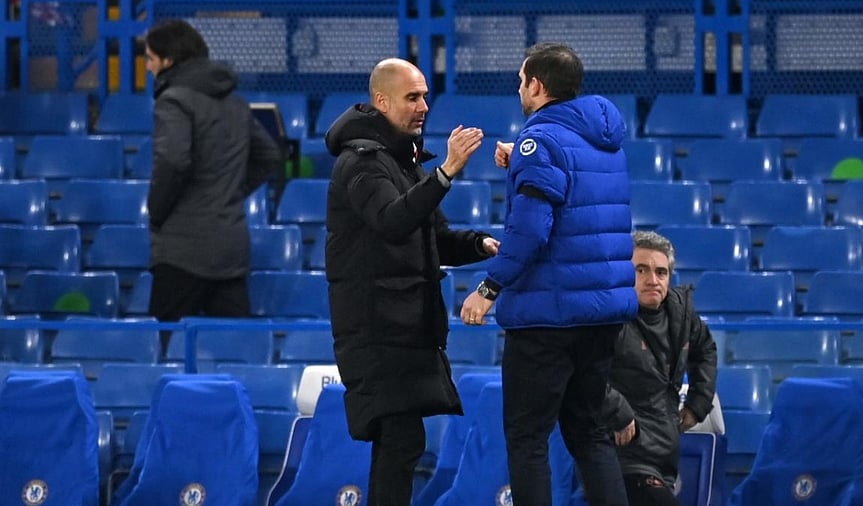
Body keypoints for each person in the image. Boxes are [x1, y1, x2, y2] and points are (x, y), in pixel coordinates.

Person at [460, 42, 638, 506]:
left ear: (536, 85)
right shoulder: (604, 140)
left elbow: (532, 230)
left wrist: (488, 286)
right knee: (587, 431)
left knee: (527, 437)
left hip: (547, 315)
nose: (519, 88)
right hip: (601, 314)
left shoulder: (538, 141)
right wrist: (519, 154)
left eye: (521, 81)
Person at [324, 57, 499, 505]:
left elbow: (433, 238)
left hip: (405, 328)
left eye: (424, 95)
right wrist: (446, 173)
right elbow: (391, 221)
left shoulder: (403, 161)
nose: (423, 105)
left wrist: (479, 245)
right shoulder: (361, 163)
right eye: (412, 97)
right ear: (381, 102)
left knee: (402, 444)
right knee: (400, 441)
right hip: (376, 329)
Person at [145, 19, 283, 334]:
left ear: (168, 61)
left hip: (181, 249)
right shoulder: (235, 104)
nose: (148, 68)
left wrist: (157, 212)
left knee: (165, 352)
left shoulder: (173, 100)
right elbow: (270, 155)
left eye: (151, 59)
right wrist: (231, 191)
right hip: (230, 247)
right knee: (234, 352)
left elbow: (174, 160)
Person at [601, 230, 718, 506]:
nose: (652, 280)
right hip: (619, 455)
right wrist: (616, 411)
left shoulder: (681, 314)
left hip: (664, 454)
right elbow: (581, 371)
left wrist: (698, 403)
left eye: (661, 272)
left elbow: (706, 350)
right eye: (641, 270)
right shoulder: (606, 316)